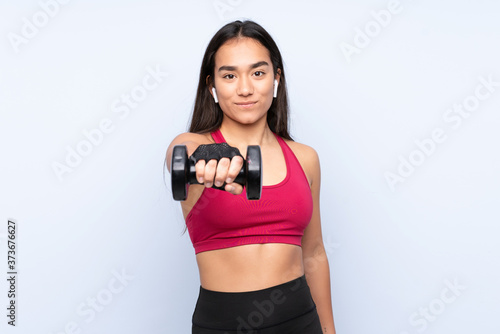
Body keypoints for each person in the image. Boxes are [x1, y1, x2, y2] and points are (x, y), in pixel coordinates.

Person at [166, 20, 336, 334]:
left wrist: (329, 331)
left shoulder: (305, 158)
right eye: (229, 75)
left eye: (258, 73)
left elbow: (313, 254)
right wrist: (210, 156)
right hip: (223, 325)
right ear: (212, 86)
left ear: (276, 78)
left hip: (301, 322)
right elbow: (181, 150)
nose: (245, 88)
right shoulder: (197, 148)